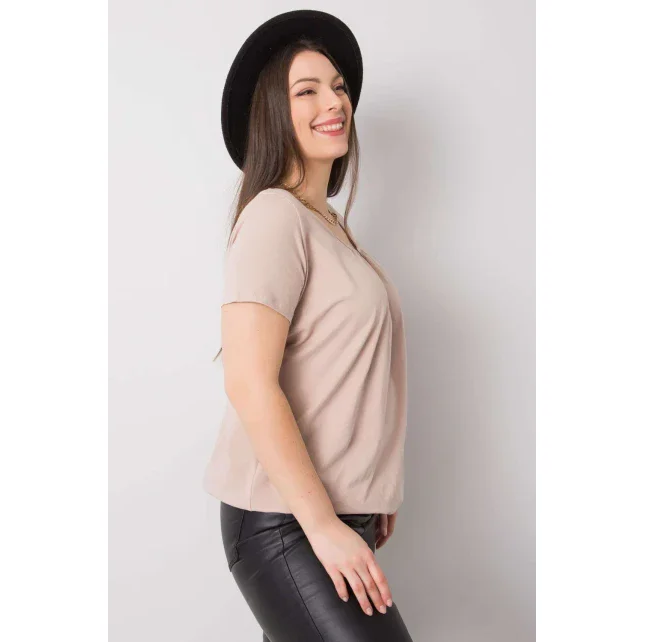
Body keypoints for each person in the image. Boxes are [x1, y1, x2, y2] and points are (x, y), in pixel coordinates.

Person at [203, 10, 413, 641]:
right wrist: (323, 523)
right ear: (274, 112)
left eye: (339, 87)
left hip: (332, 512)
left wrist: (368, 488)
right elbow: (249, 382)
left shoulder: (332, 230)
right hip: (284, 521)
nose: (334, 102)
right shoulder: (275, 216)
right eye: (307, 90)